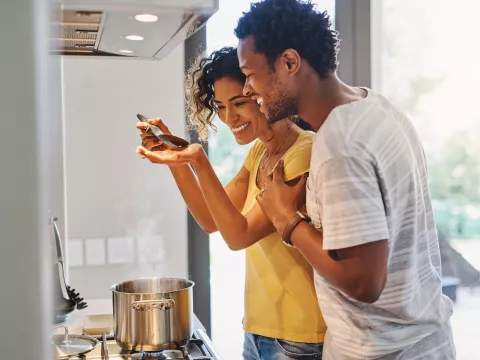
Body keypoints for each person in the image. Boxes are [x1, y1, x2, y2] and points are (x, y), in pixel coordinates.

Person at [233, 0, 456, 359]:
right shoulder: (377, 107)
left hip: (381, 351)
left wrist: (287, 220)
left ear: (290, 63)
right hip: (425, 341)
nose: (247, 89)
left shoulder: (339, 145)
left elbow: (363, 282)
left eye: (251, 74)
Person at [136, 46, 326, 359]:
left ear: (265, 94)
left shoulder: (302, 153)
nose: (228, 117)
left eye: (238, 103)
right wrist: (176, 159)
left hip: (299, 336)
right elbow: (211, 219)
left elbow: (238, 236)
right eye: (221, 106)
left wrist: (198, 160)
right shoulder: (261, 152)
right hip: (259, 329)